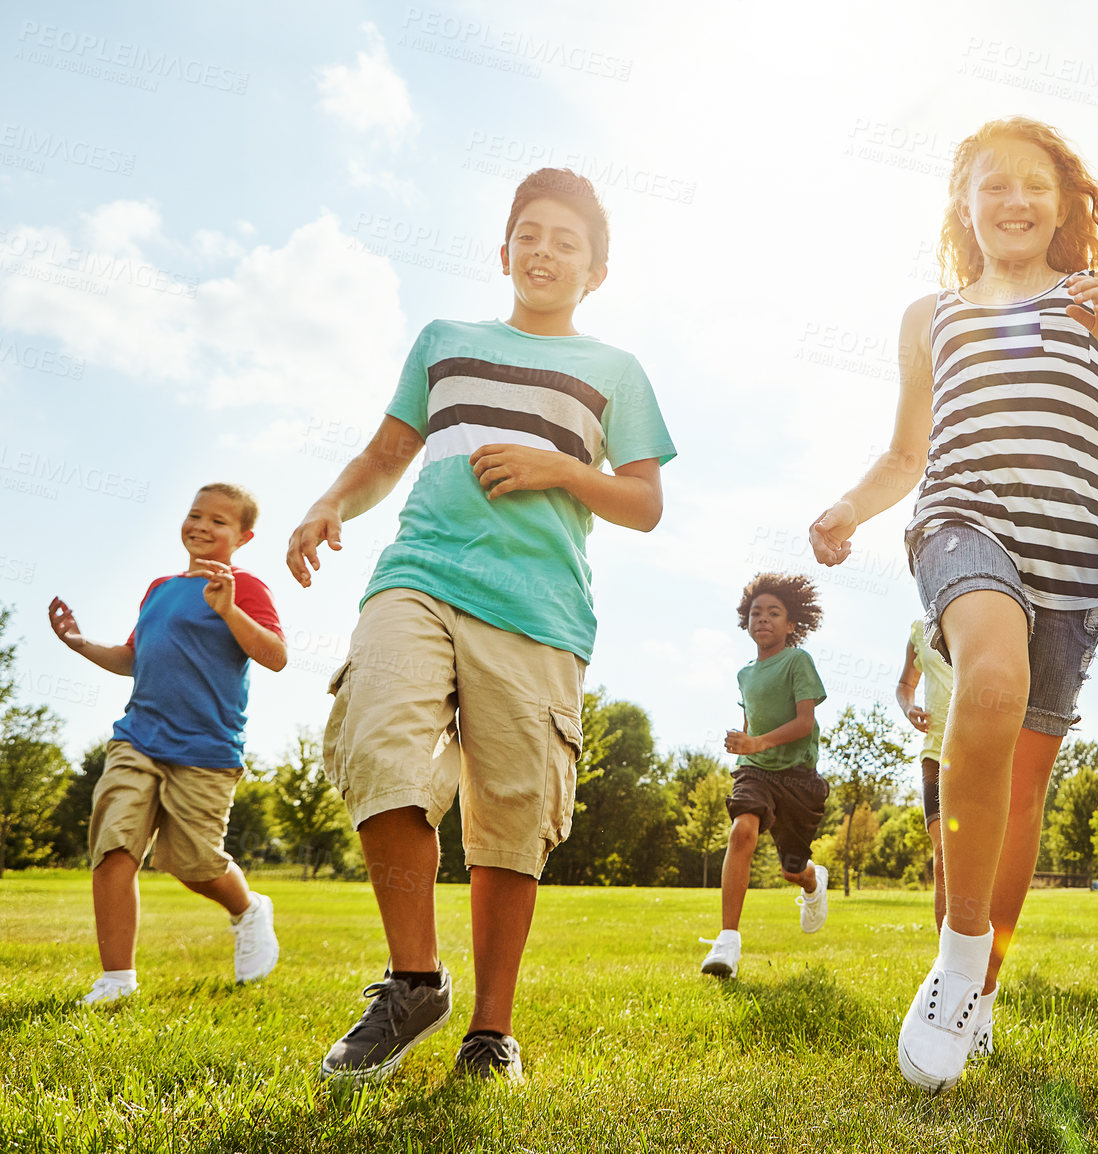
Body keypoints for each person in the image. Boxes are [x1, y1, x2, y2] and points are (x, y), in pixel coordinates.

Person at [809, 116, 1098, 1091]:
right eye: (992, 185)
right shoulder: (929, 317)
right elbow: (908, 453)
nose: (1013, 200)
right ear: (963, 207)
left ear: (1065, 203)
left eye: (1033, 184)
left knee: (1022, 794)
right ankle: (957, 958)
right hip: (961, 523)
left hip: (1074, 557)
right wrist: (849, 506)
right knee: (986, 680)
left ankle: (979, 993)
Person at [286, 167, 675, 1083]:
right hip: (417, 574)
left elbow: (646, 502)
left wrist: (561, 469)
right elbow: (388, 453)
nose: (544, 252)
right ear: (503, 251)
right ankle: (413, 980)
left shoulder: (616, 370)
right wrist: (330, 503)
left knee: (509, 819)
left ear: (597, 271)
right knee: (378, 746)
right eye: (529, 235)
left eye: (566, 242)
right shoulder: (445, 341)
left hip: (538, 611)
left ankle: (490, 1034)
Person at [50, 483, 286, 1004]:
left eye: (218, 521)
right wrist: (79, 642)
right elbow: (132, 657)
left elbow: (275, 656)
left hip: (205, 752)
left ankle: (248, 909)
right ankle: (116, 980)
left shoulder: (244, 586)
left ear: (244, 536)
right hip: (137, 739)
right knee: (114, 846)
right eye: (195, 515)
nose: (201, 525)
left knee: (192, 862)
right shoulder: (159, 587)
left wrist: (227, 609)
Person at [700, 573, 831, 979]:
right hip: (755, 772)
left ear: (791, 624)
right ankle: (727, 942)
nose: (764, 619)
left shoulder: (797, 661)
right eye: (756, 612)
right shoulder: (745, 674)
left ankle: (813, 882)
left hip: (797, 778)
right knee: (742, 831)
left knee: (792, 869)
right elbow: (751, 724)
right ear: (746, 621)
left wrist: (757, 743)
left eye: (774, 613)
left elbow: (805, 723)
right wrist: (744, 744)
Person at [895, 618, 951, 933]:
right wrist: (909, 707)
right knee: (943, 856)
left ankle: (982, 953)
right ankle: (948, 959)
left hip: (985, 751)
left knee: (982, 860)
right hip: (936, 755)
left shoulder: (987, 609)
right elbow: (906, 684)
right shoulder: (920, 628)